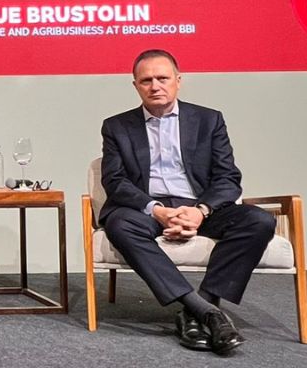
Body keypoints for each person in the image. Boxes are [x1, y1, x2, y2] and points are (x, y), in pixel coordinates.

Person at [99, 49, 276, 355]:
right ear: (135, 85)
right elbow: (115, 181)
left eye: (162, 78)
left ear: (178, 81)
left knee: (259, 221)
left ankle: (198, 309)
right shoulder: (117, 126)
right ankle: (205, 311)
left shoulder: (208, 120)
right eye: (146, 80)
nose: (155, 86)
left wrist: (200, 211)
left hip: (199, 206)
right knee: (119, 223)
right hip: (148, 209)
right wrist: (157, 210)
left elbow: (227, 177)